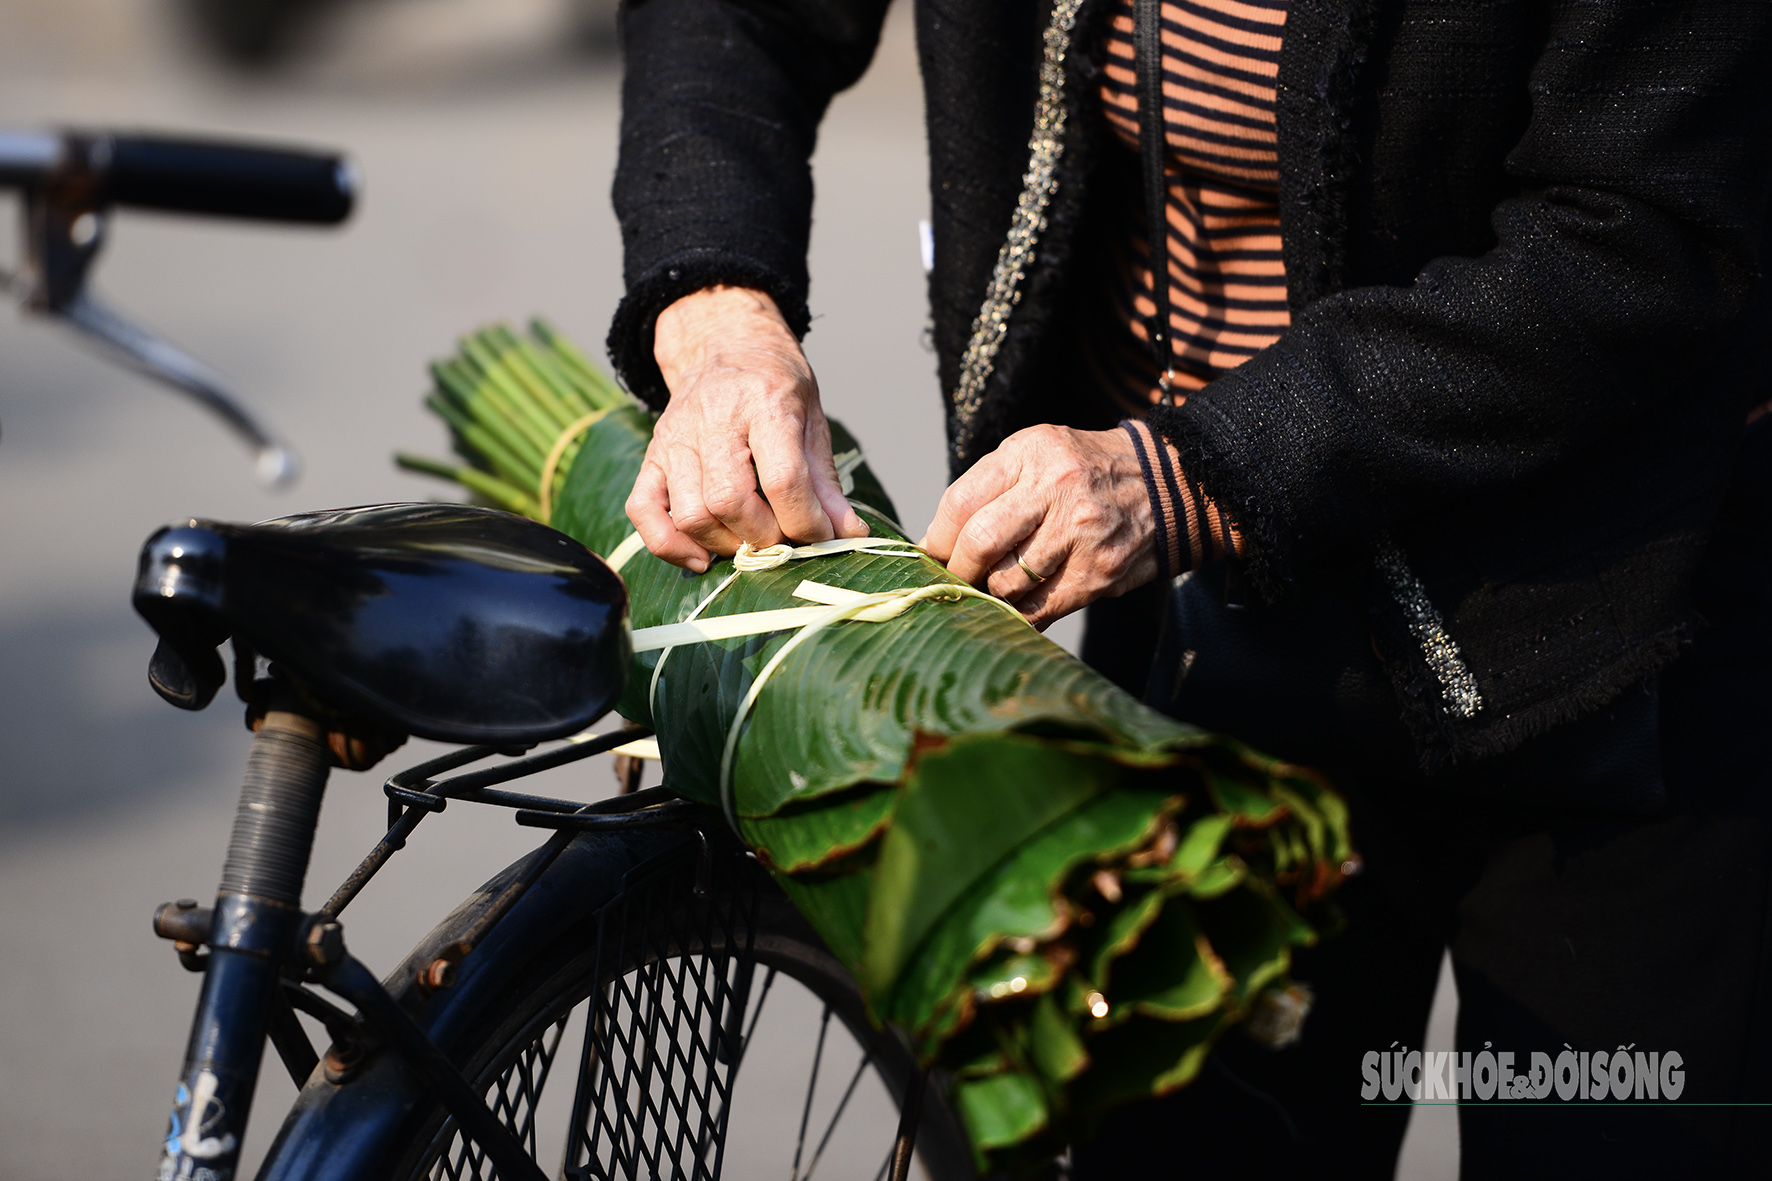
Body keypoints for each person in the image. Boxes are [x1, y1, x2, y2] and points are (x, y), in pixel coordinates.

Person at [606, 0, 1772, 1174]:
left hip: (1606, 649)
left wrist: (1199, 470)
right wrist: (719, 326)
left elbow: (1643, 230)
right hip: (1208, 635)